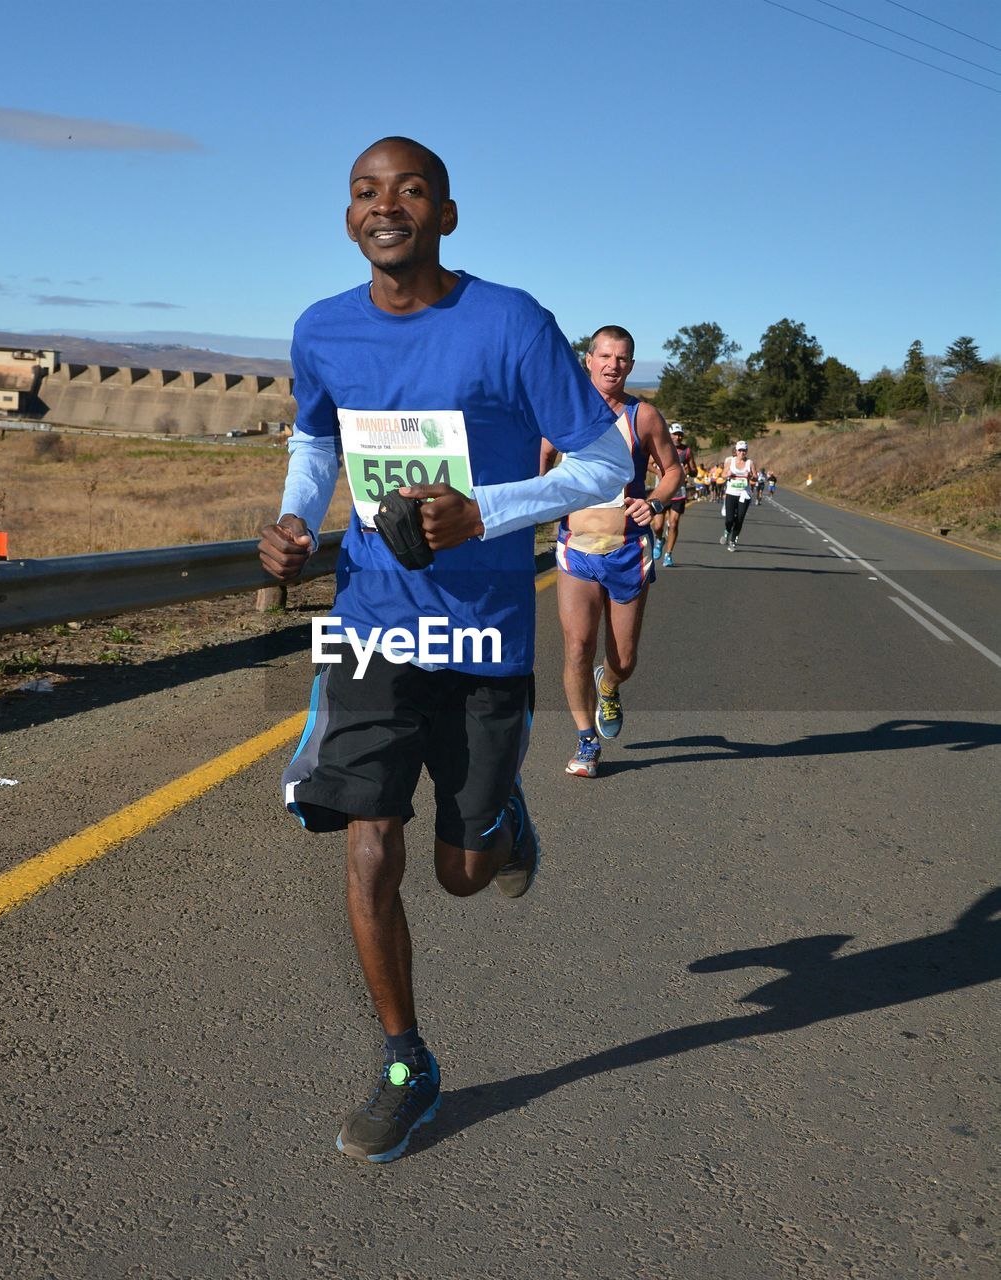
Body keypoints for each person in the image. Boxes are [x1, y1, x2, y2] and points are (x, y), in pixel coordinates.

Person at [258, 136, 632, 1164]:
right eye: (365, 193)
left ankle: (501, 822)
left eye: (409, 190)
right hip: (374, 620)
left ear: (445, 215)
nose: (386, 207)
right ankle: (403, 1058)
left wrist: (489, 513)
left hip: (481, 633)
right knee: (367, 840)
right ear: (348, 218)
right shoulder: (321, 329)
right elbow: (315, 438)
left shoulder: (509, 322)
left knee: (462, 872)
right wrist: (294, 518)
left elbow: (603, 461)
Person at [540, 326, 682, 778]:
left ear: (631, 365)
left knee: (623, 659)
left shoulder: (644, 417)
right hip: (575, 549)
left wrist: (655, 501)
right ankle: (585, 740)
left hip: (627, 550)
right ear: (589, 359)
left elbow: (673, 471)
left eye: (621, 359)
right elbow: (538, 462)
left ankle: (611, 685)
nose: (612, 365)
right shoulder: (562, 412)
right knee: (577, 646)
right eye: (604, 356)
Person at [650, 423, 695, 567]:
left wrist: (689, 471)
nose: (678, 437)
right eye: (675, 434)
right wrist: (658, 472)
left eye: (680, 434)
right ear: (669, 435)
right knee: (657, 526)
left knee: (673, 523)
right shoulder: (661, 447)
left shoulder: (686, 451)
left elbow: (694, 470)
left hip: (678, 492)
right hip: (661, 492)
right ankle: (659, 539)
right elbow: (648, 463)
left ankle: (668, 554)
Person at [721, 440, 757, 550]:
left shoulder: (749, 463)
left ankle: (733, 541)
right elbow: (722, 475)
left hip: (744, 494)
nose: (742, 452)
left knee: (740, 518)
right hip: (731, 493)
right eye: (740, 450)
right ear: (736, 451)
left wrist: (750, 475)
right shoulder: (730, 461)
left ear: (746, 451)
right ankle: (727, 530)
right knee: (729, 519)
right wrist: (727, 474)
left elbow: (755, 477)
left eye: (744, 450)